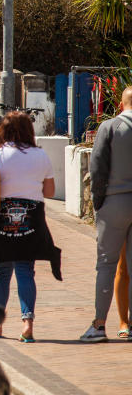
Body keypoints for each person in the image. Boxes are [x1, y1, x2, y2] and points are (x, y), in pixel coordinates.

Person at [0, 111, 59, 342]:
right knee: (25, 270)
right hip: (31, 219)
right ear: (29, 130)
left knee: (1, 269)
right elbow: (49, 192)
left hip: (0, 219)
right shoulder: (40, 155)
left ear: (3, 130)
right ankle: (27, 324)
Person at [82, 87, 132, 342]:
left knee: (106, 264)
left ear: (121, 104)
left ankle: (99, 325)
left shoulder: (110, 127)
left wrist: (98, 202)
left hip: (114, 201)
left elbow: (98, 166)